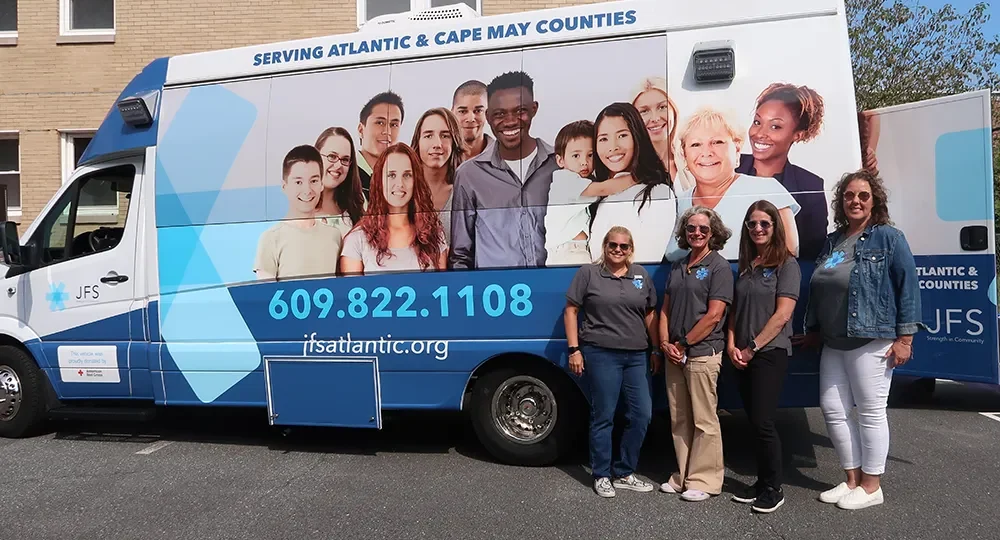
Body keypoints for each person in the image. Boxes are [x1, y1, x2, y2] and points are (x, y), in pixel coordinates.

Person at [802, 169, 923, 510]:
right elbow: (821, 287)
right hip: (833, 341)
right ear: (841, 202)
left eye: (863, 196)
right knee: (834, 410)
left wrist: (905, 340)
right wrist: (813, 329)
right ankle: (851, 479)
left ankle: (872, 486)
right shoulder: (833, 240)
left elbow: (908, 288)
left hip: (872, 339)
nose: (855, 201)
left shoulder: (889, 237)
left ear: (874, 201)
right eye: (849, 195)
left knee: (870, 412)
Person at [564, 225, 662, 498]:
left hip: (637, 356)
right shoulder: (589, 273)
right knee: (603, 415)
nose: (618, 250)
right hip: (601, 353)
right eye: (613, 245)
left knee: (642, 415)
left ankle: (624, 471)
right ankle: (601, 474)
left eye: (624, 246)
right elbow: (571, 311)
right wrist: (574, 349)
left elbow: (650, 315)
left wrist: (656, 351)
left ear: (631, 250)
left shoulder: (640, 275)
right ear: (604, 247)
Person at [726, 200, 801, 513]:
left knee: (764, 421)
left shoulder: (787, 264)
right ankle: (761, 481)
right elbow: (734, 313)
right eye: (752, 224)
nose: (758, 229)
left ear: (775, 227)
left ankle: (774, 487)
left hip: (769, 353)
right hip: (742, 354)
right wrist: (732, 344)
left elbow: (783, 314)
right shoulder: (747, 266)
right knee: (754, 422)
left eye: (764, 224)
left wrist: (751, 347)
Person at [658, 205, 733, 502]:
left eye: (703, 228)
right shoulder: (678, 266)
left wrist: (683, 343)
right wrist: (665, 343)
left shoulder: (719, 267)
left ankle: (706, 480)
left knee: (704, 419)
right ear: (684, 233)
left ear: (712, 232)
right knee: (679, 419)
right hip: (674, 353)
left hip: (701, 352)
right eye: (691, 228)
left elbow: (715, 315)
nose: (696, 233)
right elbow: (665, 308)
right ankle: (683, 476)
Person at [449, 70, 559, 270]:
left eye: (520, 111)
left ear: (534, 109)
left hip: (559, 295)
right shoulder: (469, 175)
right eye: (499, 114)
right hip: (497, 296)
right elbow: (460, 256)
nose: (510, 121)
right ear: (489, 117)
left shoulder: (560, 165)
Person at [665, 107, 800, 262]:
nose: (706, 152)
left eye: (717, 142)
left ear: (736, 148)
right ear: (684, 154)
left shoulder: (767, 190)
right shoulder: (678, 203)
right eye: (696, 144)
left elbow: (790, 256)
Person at [735, 82, 828, 261]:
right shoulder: (731, 167)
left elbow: (812, 253)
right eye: (757, 122)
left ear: (797, 134)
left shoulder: (809, 186)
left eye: (775, 126)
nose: (759, 133)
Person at [587, 102, 676, 265]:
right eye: (604, 139)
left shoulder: (658, 192)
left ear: (637, 136)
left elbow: (648, 259)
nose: (613, 147)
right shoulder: (600, 196)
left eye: (622, 135)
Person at [339, 143, 447, 275]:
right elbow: (352, 293)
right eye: (391, 175)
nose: (399, 184)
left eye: (407, 175)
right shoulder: (356, 240)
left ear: (416, 181)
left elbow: (443, 290)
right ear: (380, 181)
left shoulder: (434, 234)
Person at [543, 120, 635, 266]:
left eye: (590, 155)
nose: (584, 162)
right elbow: (604, 189)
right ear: (560, 160)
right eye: (576, 156)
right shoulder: (565, 179)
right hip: (569, 251)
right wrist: (637, 177)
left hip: (569, 251)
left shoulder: (579, 181)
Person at [254, 146, 342, 281]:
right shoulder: (271, 238)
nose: (307, 190)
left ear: (321, 185)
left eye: (313, 181)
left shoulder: (334, 236)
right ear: (285, 186)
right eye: (298, 182)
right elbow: (267, 296)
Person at [410, 107, 467, 247]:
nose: (437, 144)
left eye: (445, 135)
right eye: (428, 135)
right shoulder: (403, 190)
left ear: (455, 142)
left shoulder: (465, 192)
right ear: (418, 142)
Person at [630, 76, 684, 190]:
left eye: (662, 107)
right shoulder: (629, 168)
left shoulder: (692, 159)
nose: (655, 118)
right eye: (644, 111)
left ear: (674, 110)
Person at [314, 126, 367, 242]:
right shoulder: (301, 206)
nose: (338, 166)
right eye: (332, 156)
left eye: (345, 159)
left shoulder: (355, 207)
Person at [356, 91, 405, 198]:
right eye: (380, 123)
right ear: (361, 130)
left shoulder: (402, 182)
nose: (387, 131)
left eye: (394, 124)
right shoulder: (344, 175)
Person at [451, 80, 493, 162]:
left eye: (478, 111)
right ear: (452, 113)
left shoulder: (504, 157)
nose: (470, 119)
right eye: (462, 111)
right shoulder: (440, 155)